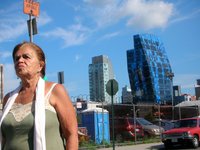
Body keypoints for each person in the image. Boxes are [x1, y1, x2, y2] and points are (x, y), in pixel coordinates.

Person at [0, 41, 78, 150]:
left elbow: (71, 135)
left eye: (26, 57)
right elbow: (4, 139)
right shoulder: (8, 98)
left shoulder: (55, 90)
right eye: (16, 59)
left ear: (40, 66)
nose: (20, 61)